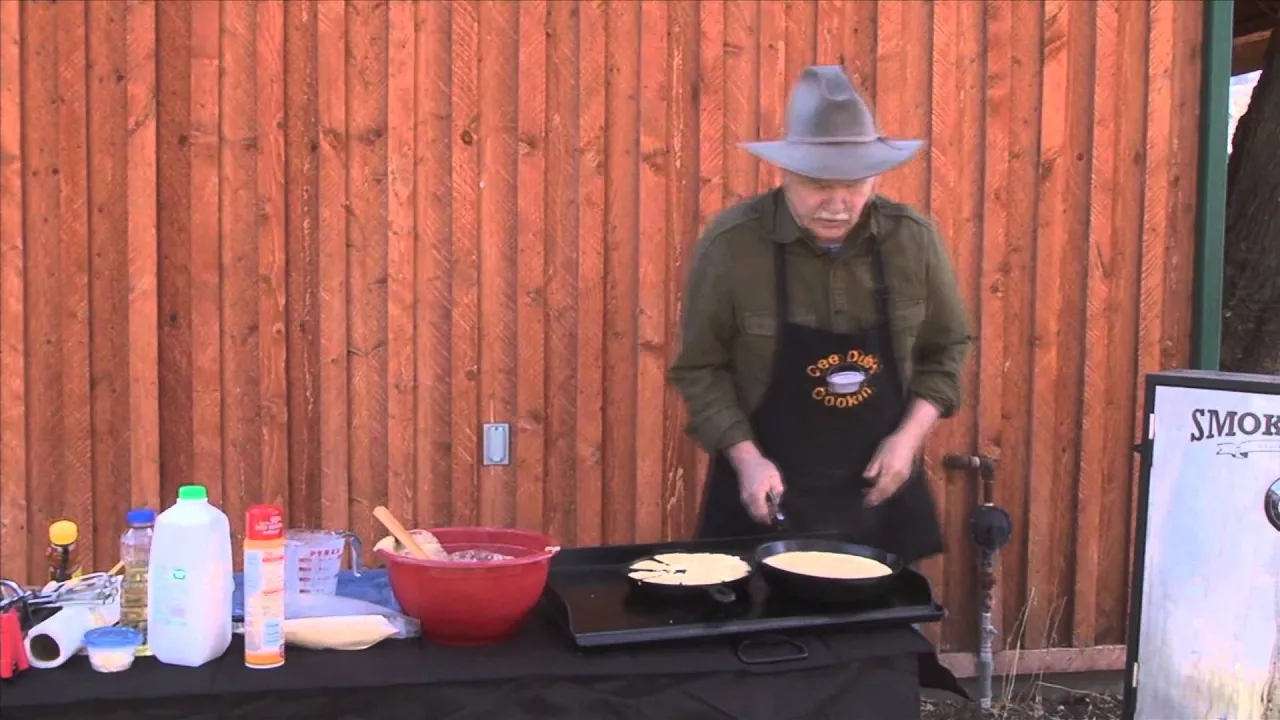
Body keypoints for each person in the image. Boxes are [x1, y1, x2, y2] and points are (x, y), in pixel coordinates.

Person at [669, 65, 971, 564]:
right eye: (817, 185)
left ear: (877, 176)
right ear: (783, 173)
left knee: (886, 639)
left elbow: (947, 349)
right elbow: (701, 369)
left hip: (881, 500)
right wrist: (745, 459)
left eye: (854, 185)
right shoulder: (732, 248)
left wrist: (908, 440)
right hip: (762, 497)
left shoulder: (913, 242)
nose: (837, 204)